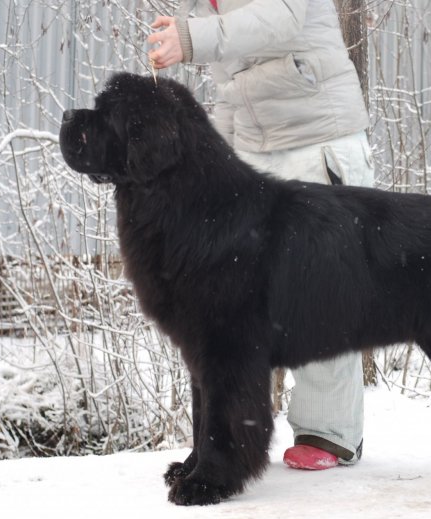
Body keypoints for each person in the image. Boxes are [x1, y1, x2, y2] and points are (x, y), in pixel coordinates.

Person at [147, 0, 372, 470]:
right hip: (258, 154)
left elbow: (282, 18)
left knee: (320, 300)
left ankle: (329, 434)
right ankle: (235, 437)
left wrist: (190, 38)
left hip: (318, 139)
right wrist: (220, 169)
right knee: (240, 308)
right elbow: (230, 91)